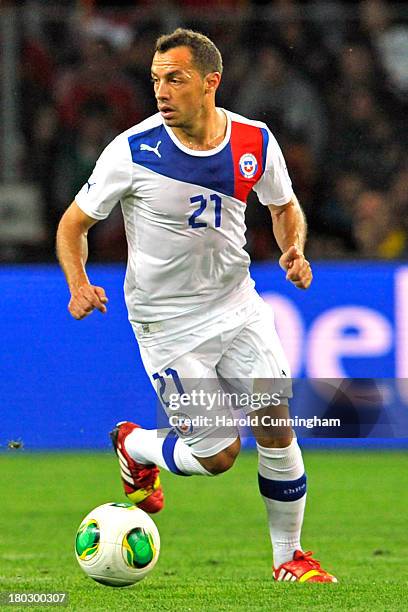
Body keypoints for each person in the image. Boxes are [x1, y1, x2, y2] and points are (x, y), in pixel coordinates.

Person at [56, 28, 337, 583]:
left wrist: (294, 248)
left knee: (276, 426)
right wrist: (78, 283)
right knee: (219, 455)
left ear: (211, 83)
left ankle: (291, 559)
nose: (161, 90)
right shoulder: (132, 150)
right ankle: (134, 444)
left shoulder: (254, 141)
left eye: (175, 79)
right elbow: (73, 225)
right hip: (167, 325)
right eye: (156, 79)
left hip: (238, 306)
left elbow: (284, 207)